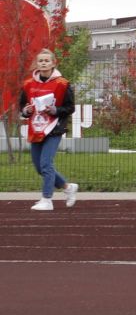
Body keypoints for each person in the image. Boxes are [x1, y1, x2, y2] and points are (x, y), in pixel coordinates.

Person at [18, 48, 77, 212]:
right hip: (36, 128)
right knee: (39, 167)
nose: (43, 63)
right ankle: (67, 187)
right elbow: (22, 105)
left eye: (47, 60)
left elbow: (70, 107)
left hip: (54, 128)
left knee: (46, 163)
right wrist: (26, 111)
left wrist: (55, 110)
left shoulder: (63, 84)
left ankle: (47, 199)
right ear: (37, 64)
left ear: (53, 63)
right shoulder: (28, 84)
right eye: (41, 61)